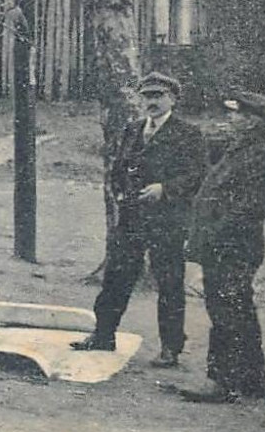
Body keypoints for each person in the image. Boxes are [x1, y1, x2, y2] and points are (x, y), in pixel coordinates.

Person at [72, 72, 207, 364]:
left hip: (167, 221)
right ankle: (103, 335)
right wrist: (120, 193)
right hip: (132, 218)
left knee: (169, 283)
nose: (152, 102)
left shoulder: (188, 134)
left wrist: (165, 189)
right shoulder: (132, 129)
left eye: (158, 96)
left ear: (173, 99)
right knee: (116, 278)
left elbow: (197, 176)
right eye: (147, 96)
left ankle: (171, 348)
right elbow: (119, 166)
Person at [180, 91, 265, 403]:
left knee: (226, 312)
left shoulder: (260, 154)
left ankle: (222, 381)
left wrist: (213, 235)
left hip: (233, 246)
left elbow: (252, 207)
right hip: (224, 244)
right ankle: (252, 380)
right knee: (239, 310)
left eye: (236, 114)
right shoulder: (240, 149)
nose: (230, 119)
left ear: (252, 121)